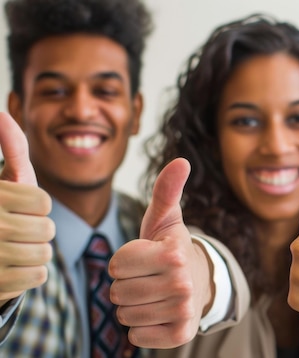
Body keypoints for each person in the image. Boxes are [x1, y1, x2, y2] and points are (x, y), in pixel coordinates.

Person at [141, 14, 299, 358]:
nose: (277, 146)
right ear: (213, 137)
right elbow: (201, 270)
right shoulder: (178, 254)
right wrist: (199, 279)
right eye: (246, 121)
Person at [0, 0, 216, 356]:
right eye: (54, 91)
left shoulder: (164, 238)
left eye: (105, 91)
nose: (82, 110)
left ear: (135, 113)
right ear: (17, 109)